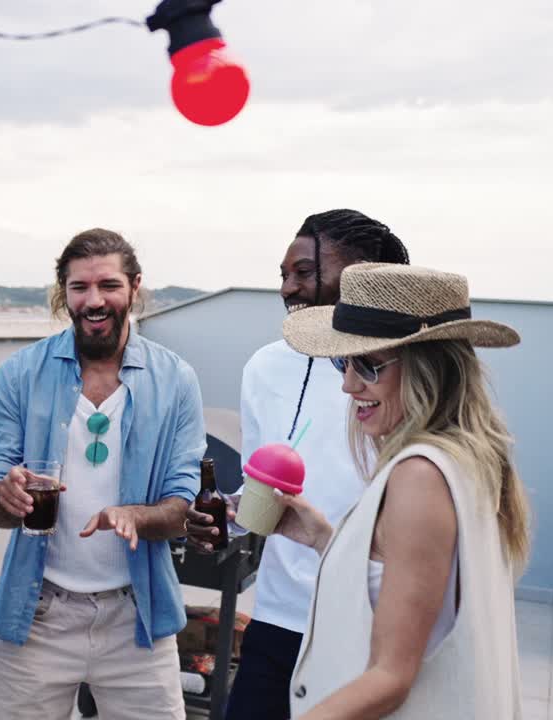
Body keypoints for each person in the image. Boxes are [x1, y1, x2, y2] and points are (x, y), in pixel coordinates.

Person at [185, 209, 410, 720]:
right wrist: (224, 515)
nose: (288, 288)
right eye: (283, 275)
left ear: (365, 274)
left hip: (369, 623)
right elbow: (262, 492)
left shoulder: (404, 376)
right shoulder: (265, 367)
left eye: (305, 272)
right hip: (278, 619)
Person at [0, 228, 207, 720]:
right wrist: (6, 495)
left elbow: (180, 506)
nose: (94, 300)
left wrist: (136, 516)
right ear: (64, 293)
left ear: (135, 287)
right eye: (79, 287)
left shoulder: (176, 379)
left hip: (137, 617)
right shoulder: (20, 374)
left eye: (109, 285)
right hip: (38, 615)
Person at [277, 262, 527, 718]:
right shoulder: (470, 459)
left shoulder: (420, 474)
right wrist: (323, 538)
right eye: (343, 361)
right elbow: (415, 589)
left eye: (368, 365)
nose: (348, 384)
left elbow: (390, 677)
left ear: (429, 369)